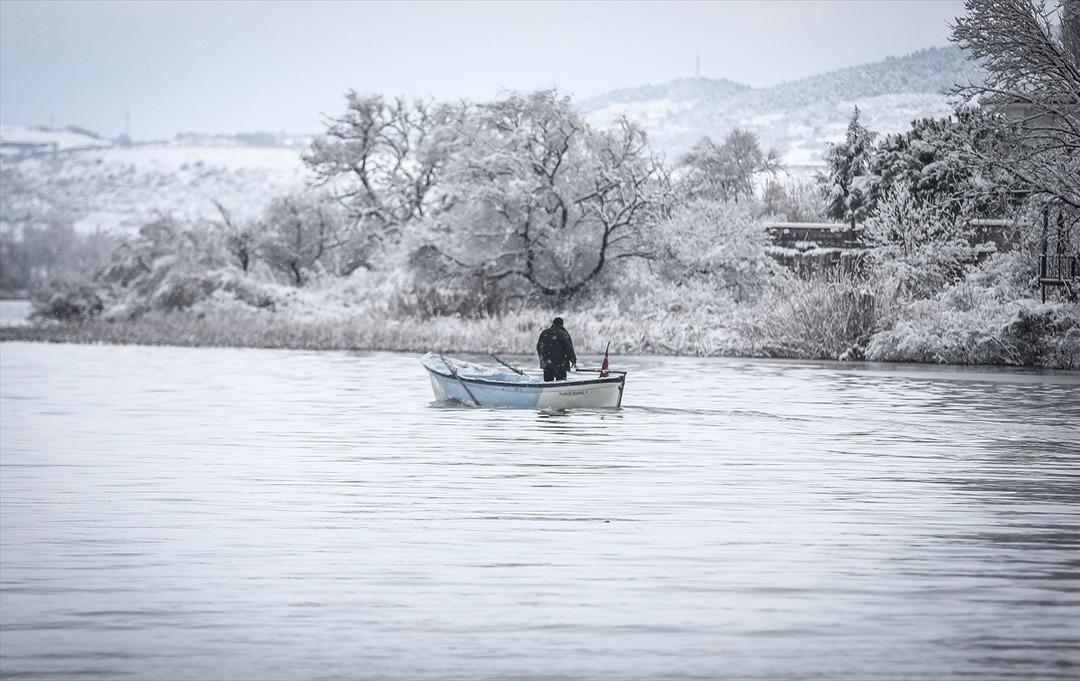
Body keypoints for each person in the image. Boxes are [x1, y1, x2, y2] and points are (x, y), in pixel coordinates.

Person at [536, 317, 577, 382]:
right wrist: (573, 360)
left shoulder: (544, 333)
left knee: (548, 384)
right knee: (560, 384)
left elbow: (539, 348)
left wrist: (543, 359)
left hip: (547, 364)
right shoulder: (564, 334)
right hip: (560, 364)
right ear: (562, 324)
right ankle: (560, 392)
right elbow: (569, 349)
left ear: (553, 323)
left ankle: (549, 392)